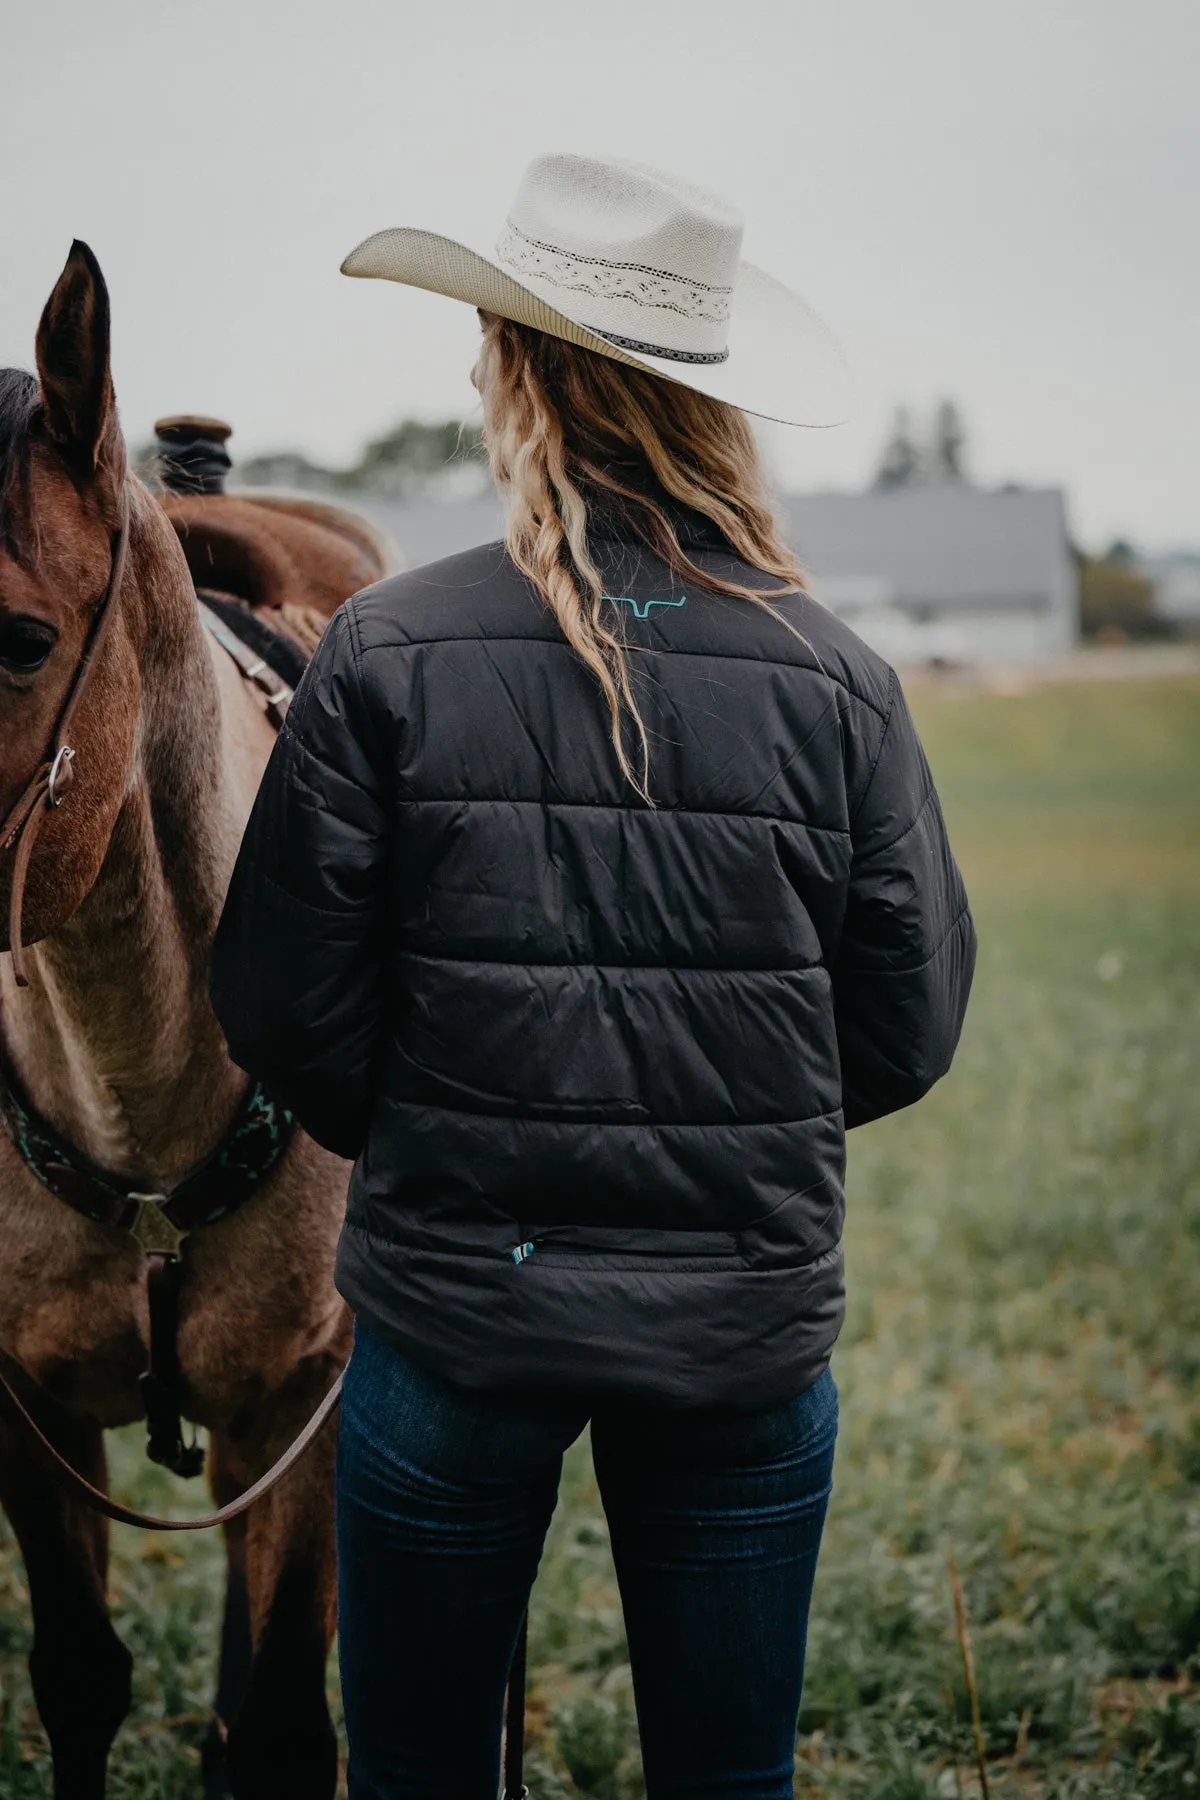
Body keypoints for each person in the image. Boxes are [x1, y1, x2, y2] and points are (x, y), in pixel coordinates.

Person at [211, 152, 976, 1800]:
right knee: (729, 1778)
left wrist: (432, 1126)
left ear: (514, 370)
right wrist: (728, 1117)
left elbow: (281, 1005)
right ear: (705, 397)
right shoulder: (838, 678)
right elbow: (907, 1026)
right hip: (744, 1338)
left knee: (418, 1775)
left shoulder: (389, 651)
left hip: (448, 1326)